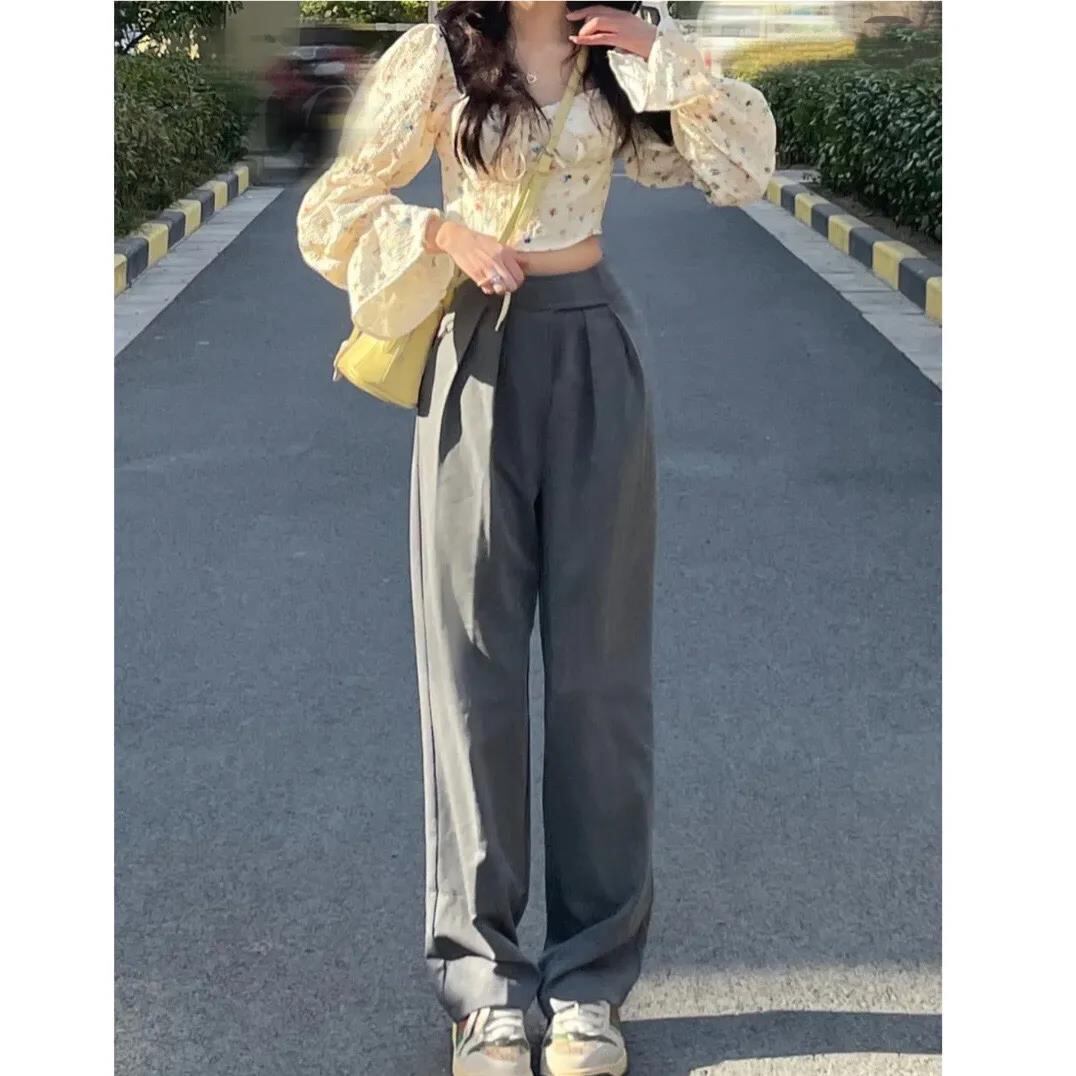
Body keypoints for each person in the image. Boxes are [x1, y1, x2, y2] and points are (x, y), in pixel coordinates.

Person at [297, 3, 776, 1073]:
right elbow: (332, 211)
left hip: (595, 349)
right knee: (471, 673)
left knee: (602, 679)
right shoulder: (439, 55)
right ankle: (485, 987)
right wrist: (442, 232)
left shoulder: (618, 53)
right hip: (476, 356)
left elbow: (738, 169)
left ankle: (590, 984)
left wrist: (661, 56)